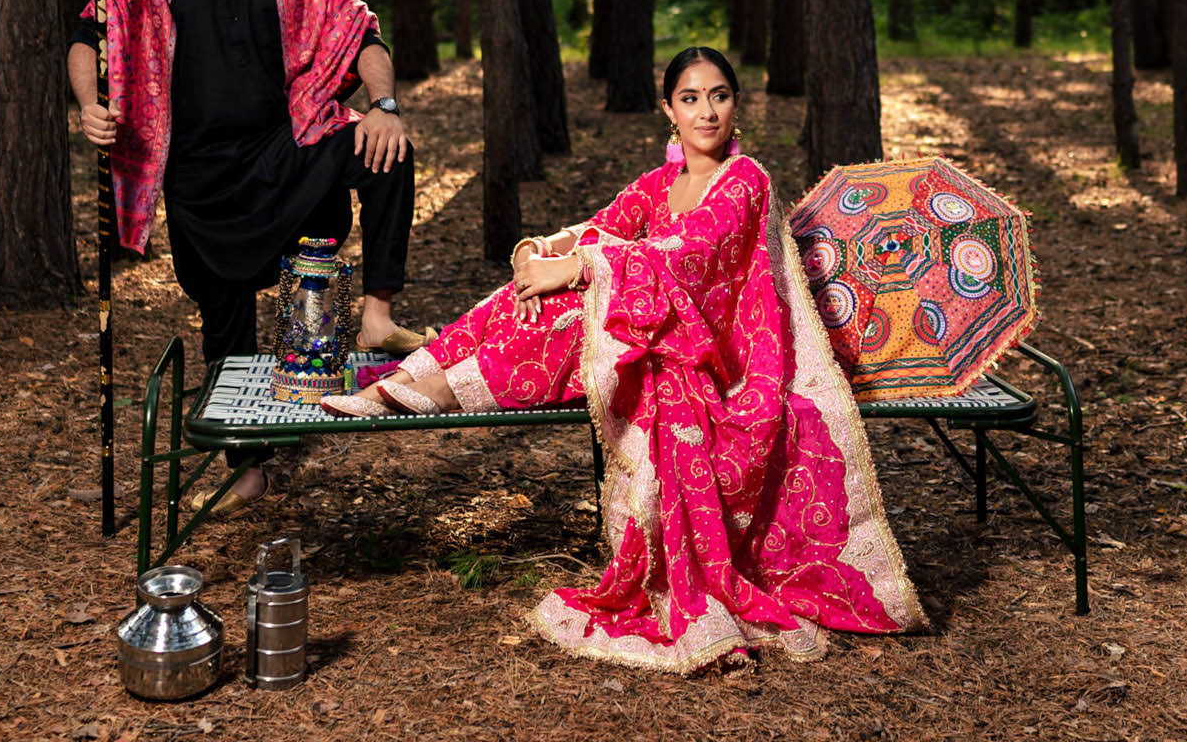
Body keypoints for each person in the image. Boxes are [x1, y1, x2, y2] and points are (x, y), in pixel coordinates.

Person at [324, 47, 926, 671]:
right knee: (538, 297)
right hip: (657, 336)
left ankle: (430, 384)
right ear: (669, 109)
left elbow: (689, 252)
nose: (706, 111)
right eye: (690, 98)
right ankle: (418, 377)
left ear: (736, 103)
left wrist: (578, 266)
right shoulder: (663, 182)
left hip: (712, 359)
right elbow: (604, 226)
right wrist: (545, 249)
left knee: (572, 308)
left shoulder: (746, 180)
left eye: (719, 95)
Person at [70, 0, 431, 512]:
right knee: (224, 321)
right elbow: (87, 36)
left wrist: (383, 102)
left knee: (387, 152)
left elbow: (364, 34)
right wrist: (89, 104)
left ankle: (379, 316)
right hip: (199, 177)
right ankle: (248, 466)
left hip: (285, 150)